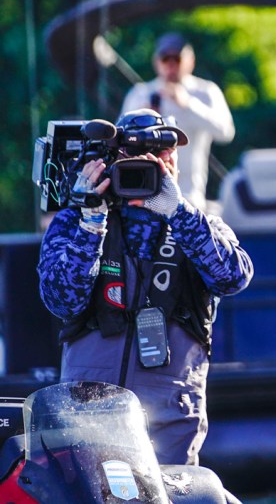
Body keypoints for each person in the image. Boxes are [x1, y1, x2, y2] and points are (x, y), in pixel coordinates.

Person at [38, 109, 254, 467]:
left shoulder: (200, 225)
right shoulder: (76, 221)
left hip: (168, 421)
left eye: (164, 153)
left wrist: (178, 212)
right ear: (112, 160)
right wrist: (91, 221)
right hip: (88, 416)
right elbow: (61, 300)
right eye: (136, 156)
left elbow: (233, 278)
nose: (153, 164)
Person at [121, 32, 235, 211]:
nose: (171, 65)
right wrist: (141, 118)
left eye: (177, 58)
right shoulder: (141, 93)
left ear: (191, 61)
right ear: (156, 62)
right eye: (165, 58)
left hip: (189, 194)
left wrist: (188, 104)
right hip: (144, 193)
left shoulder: (205, 91)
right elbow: (120, 139)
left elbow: (226, 132)